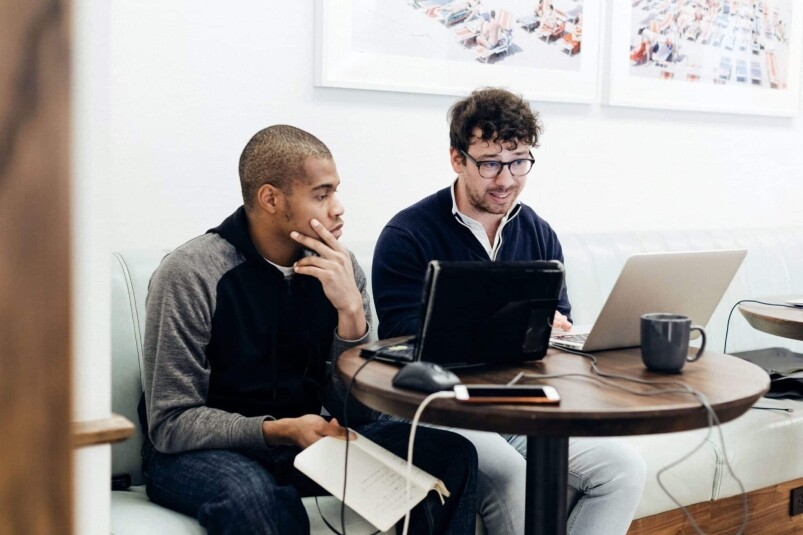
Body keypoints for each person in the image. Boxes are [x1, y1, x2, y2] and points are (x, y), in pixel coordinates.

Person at [139, 124, 478, 534]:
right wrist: (280, 430)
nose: (338, 208)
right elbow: (170, 422)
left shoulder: (341, 268)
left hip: (302, 442)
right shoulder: (190, 274)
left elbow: (359, 414)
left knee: (451, 455)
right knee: (254, 496)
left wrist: (351, 314)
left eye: (335, 192)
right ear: (270, 199)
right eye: (321, 194)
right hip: (200, 453)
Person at [372, 88, 647, 535]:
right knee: (514, 477)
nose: (506, 179)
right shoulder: (408, 235)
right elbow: (403, 336)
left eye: (519, 161)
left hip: (520, 403)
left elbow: (556, 321)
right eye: (490, 164)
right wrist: (508, 327)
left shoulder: (538, 232)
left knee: (624, 469)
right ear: (457, 159)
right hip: (439, 408)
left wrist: (555, 329)